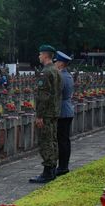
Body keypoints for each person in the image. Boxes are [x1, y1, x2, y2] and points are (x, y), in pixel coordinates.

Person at [29, 44, 62, 184]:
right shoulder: (56, 70)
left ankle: (47, 171)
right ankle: (52, 168)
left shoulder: (46, 72)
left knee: (46, 141)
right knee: (53, 140)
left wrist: (39, 115)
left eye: (40, 54)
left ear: (46, 55)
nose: (39, 56)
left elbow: (44, 96)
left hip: (46, 113)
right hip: (54, 111)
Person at [54, 51, 74, 176]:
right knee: (64, 140)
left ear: (61, 63)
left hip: (62, 111)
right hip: (66, 109)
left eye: (56, 61)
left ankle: (62, 167)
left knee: (62, 141)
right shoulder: (68, 75)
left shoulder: (61, 76)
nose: (55, 63)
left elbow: (57, 94)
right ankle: (63, 166)